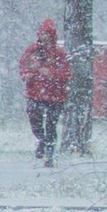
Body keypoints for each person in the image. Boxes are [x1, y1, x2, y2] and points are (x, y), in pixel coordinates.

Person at [19, 18, 72, 163]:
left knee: (51, 123)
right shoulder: (32, 50)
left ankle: (49, 150)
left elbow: (66, 73)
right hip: (34, 93)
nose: (45, 37)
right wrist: (26, 75)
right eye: (43, 34)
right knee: (34, 117)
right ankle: (41, 140)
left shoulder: (60, 54)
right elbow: (23, 65)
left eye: (48, 34)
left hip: (56, 95)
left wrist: (51, 74)